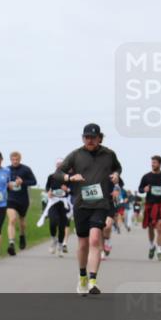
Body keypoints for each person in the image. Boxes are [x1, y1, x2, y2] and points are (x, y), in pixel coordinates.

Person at [54, 123, 122, 295]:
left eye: (93, 137)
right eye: (86, 137)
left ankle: (93, 280)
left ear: (100, 137)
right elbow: (57, 173)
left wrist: (116, 175)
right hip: (81, 204)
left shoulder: (109, 154)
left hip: (101, 204)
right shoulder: (76, 155)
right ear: (83, 138)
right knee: (83, 243)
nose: (89, 140)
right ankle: (82, 276)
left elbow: (117, 167)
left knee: (94, 239)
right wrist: (70, 177)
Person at [5, 151, 37, 254]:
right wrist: (6, 185)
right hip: (11, 199)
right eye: (13, 160)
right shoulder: (6, 170)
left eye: (17, 160)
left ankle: (22, 235)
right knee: (12, 219)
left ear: (20, 159)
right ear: (10, 160)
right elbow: (1, 182)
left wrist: (23, 182)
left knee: (22, 221)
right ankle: (11, 243)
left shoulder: (26, 169)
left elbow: (34, 182)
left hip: (23, 199)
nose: (15, 161)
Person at [39, 158, 72, 256]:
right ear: (56, 166)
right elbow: (47, 187)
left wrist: (67, 189)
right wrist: (48, 192)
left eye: (61, 164)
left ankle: (60, 246)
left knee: (62, 226)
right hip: (53, 202)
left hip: (64, 203)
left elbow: (73, 190)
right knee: (53, 222)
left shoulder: (68, 177)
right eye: (58, 164)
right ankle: (54, 239)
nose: (59, 166)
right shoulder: (51, 176)